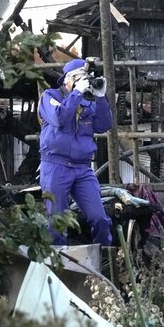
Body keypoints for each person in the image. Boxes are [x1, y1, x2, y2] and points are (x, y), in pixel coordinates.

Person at [38, 58, 113, 245]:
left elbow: (104, 125)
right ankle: (59, 269)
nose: (84, 82)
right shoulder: (50, 97)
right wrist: (77, 93)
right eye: (80, 78)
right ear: (68, 80)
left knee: (99, 218)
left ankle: (104, 261)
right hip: (55, 166)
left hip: (82, 169)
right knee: (56, 223)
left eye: (86, 78)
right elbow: (60, 118)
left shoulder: (87, 103)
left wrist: (101, 97)